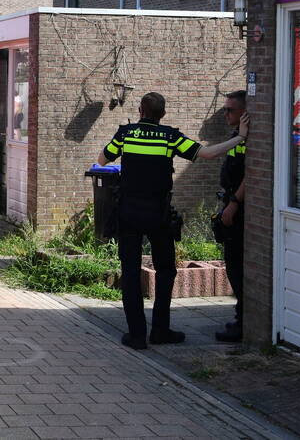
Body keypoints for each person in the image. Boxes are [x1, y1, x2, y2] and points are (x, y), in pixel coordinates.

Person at [98, 91, 248, 350]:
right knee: (165, 270)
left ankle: (136, 335)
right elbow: (208, 153)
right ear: (163, 114)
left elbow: (102, 161)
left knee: (131, 273)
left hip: (129, 213)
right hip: (158, 214)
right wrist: (242, 138)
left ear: (140, 111)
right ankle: (160, 330)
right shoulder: (170, 137)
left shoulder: (125, 134)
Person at [215, 90, 248, 343]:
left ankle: (243, 320)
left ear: (244, 113)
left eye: (230, 110)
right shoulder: (237, 136)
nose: (225, 114)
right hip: (230, 202)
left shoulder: (247, 140)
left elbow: (250, 174)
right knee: (232, 263)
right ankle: (241, 317)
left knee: (237, 264)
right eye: (224, 109)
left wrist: (234, 204)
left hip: (239, 209)